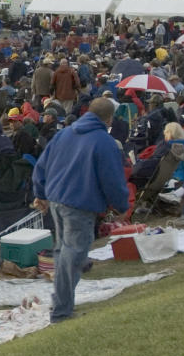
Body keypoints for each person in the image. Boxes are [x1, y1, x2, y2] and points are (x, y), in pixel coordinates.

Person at [33, 98, 129, 324]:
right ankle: (61, 311)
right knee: (72, 256)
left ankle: (61, 303)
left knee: (64, 252)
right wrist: (122, 206)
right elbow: (113, 180)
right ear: (109, 119)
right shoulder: (104, 142)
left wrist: (40, 192)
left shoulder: (64, 134)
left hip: (57, 199)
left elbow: (41, 165)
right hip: (80, 203)